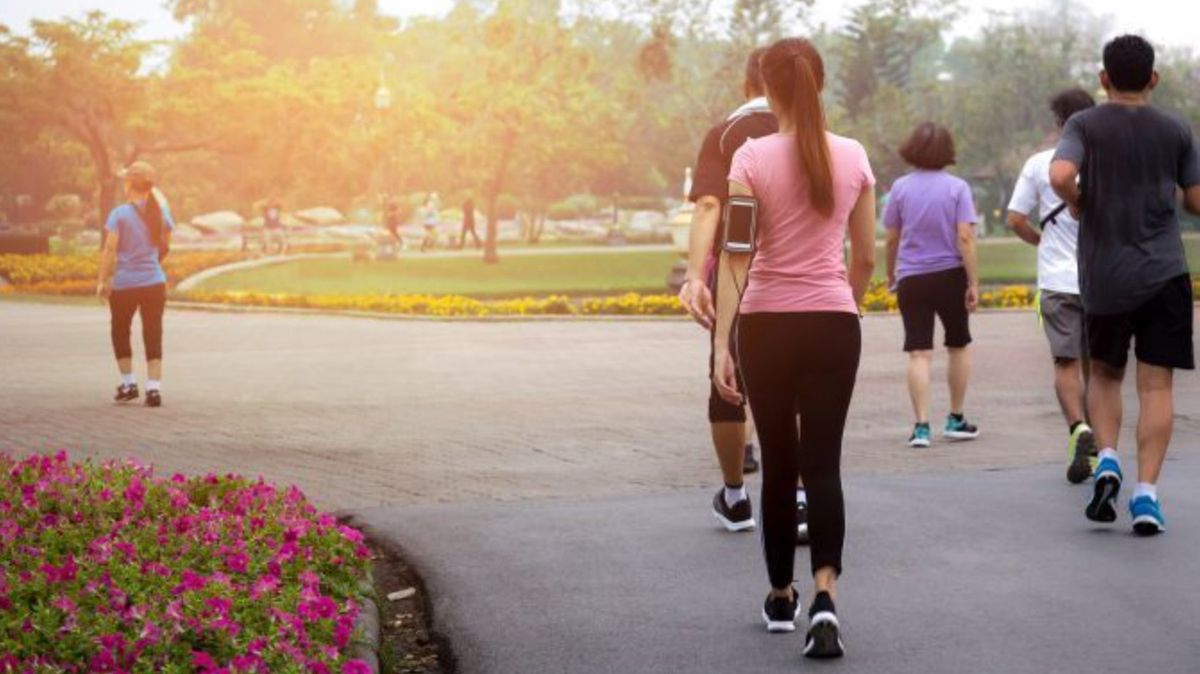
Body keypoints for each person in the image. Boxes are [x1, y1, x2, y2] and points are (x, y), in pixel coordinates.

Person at [712, 37, 876, 658]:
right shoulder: (854, 156)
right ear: (820, 84)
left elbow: (737, 253)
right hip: (834, 323)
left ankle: (783, 596)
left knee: (780, 466)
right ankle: (826, 596)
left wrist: (723, 345)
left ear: (766, 88)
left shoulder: (750, 158)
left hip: (766, 327)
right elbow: (863, 256)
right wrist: (844, 305)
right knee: (824, 464)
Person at [1050, 35, 1200, 535]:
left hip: (1105, 276)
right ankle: (1146, 497)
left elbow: (1060, 174)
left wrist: (1077, 199)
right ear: (1153, 78)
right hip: (1164, 273)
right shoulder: (1176, 128)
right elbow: (1196, 200)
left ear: (1103, 78)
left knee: (1107, 376)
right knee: (1156, 386)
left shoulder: (1084, 123)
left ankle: (1108, 459)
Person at [681, 47, 815, 543]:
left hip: (738, 274)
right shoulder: (817, 135)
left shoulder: (725, 134)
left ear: (747, 84)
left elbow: (711, 203)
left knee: (727, 380)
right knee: (798, 386)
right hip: (802, 274)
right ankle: (800, 499)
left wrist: (696, 274)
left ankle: (736, 497)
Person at [1007, 88, 1098, 484]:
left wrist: (1038, 240)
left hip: (1057, 282)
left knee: (1066, 363)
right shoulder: (1104, 161)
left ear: (1059, 122)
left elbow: (1014, 218)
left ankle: (1078, 428)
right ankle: (1101, 452)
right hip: (1101, 278)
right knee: (1101, 370)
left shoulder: (1041, 163)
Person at [883, 123, 981, 448]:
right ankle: (955, 418)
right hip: (950, 276)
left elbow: (892, 238)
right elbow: (965, 237)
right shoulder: (958, 188)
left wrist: (892, 274)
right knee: (958, 344)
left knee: (918, 352)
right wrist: (973, 282)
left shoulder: (899, 188)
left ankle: (921, 426)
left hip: (912, 278)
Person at [95, 161, 175, 408]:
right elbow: (166, 245)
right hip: (154, 283)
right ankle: (153, 390)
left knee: (120, 331)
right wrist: (151, 263)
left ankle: (129, 384)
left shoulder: (119, 214)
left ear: (129, 184)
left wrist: (102, 279)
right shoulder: (161, 213)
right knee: (153, 333)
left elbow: (110, 249)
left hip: (125, 285)